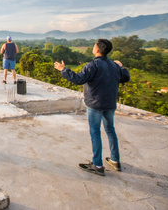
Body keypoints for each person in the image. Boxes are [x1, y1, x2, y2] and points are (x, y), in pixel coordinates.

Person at [54, 39, 130, 176]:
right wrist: (121, 66)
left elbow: (78, 79)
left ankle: (98, 165)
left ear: (97, 49)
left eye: (94, 45)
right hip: (110, 103)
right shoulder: (114, 66)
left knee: (95, 132)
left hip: (95, 104)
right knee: (110, 130)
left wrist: (63, 70)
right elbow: (126, 77)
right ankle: (115, 160)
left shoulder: (93, 65)